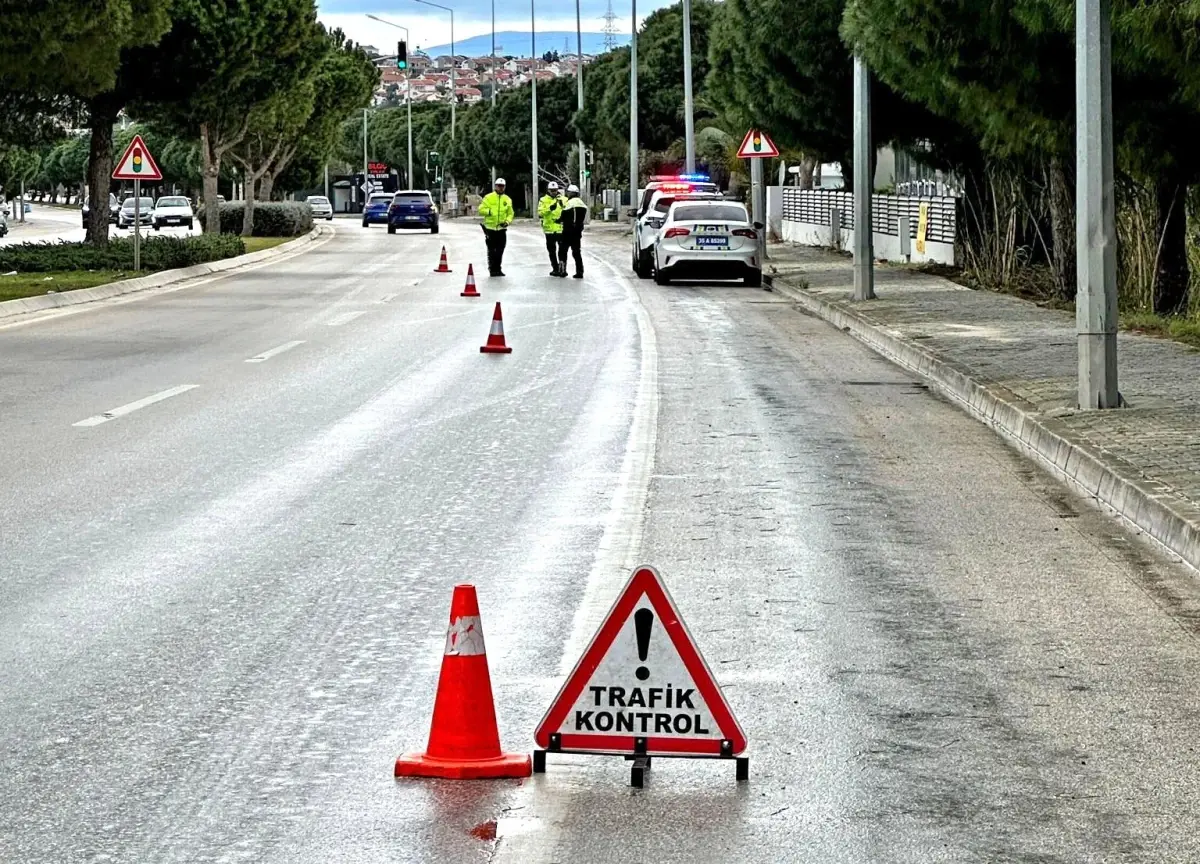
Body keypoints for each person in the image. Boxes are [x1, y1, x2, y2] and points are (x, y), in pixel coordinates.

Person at [478, 178, 514, 277]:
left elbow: (510, 214)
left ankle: (498, 268)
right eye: (498, 186)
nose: (500, 188)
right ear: (495, 186)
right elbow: (481, 209)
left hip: (501, 229)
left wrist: (507, 222)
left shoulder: (507, 199)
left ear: (505, 187)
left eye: (502, 186)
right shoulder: (488, 197)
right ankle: (492, 269)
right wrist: (489, 212)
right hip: (490, 229)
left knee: (500, 250)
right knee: (491, 251)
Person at [537, 181, 566, 277]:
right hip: (549, 229)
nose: (553, 192)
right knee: (551, 251)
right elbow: (540, 213)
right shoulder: (543, 200)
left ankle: (562, 269)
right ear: (548, 190)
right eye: (552, 190)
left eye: (555, 190)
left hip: (561, 229)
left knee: (562, 250)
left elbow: (568, 211)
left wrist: (562, 206)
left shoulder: (564, 199)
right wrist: (549, 208)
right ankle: (555, 268)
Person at [559, 184, 588, 279]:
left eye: (568, 192)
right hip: (577, 232)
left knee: (563, 251)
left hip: (567, 231)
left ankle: (562, 271)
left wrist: (558, 220)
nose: (567, 194)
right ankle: (580, 272)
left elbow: (562, 217)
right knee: (576, 252)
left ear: (571, 193)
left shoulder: (569, 203)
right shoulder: (582, 204)